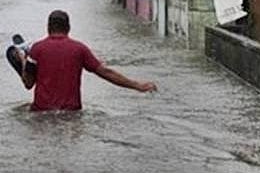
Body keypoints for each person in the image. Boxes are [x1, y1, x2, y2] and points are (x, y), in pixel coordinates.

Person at [17, 10, 156, 111]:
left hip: (41, 114)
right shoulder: (79, 49)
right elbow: (106, 73)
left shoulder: (36, 50)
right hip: (72, 113)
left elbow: (28, 83)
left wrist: (23, 60)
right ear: (68, 28)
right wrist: (138, 86)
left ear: (48, 27)